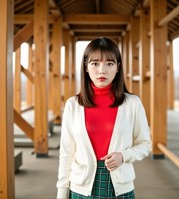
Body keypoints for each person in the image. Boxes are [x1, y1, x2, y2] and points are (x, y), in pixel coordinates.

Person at [56, 37, 151, 199]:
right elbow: (66, 153)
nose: (102, 70)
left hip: (120, 188)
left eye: (109, 63)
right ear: (86, 67)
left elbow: (145, 145)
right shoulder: (73, 105)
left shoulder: (132, 103)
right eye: (95, 63)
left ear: (117, 68)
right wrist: (62, 191)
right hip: (80, 187)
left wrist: (124, 156)